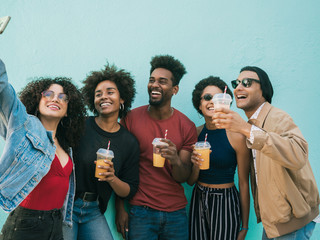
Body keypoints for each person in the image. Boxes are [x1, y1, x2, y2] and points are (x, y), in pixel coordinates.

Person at [0, 17, 86, 239]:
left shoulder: (65, 143)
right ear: (37, 99)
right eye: (49, 94)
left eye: (63, 97)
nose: (56, 99)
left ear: (67, 109)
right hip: (26, 225)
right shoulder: (24, 126)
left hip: (56, 225)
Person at [212, 66, 320, 239]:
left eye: (246, 83)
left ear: (264, 89)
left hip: (294, 223)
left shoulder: (277, 117)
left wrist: (244, 128)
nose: (238, 87)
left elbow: (299, 155)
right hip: (276, 223)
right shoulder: (254, 123)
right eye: (236, 83)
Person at [115, 55, 197, 239]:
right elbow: (120, 167)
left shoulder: (186, 126)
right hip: (141, 211)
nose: (154, 85)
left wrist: (175, 159)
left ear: (174, 89)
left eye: (162, 81)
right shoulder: (130, 119)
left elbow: (182, 177)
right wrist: (120, 209)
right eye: (152, 80)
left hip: (175, 213)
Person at [62, 64, 140, 240]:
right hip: (67, 205)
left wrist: (112, 178)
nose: (103, 97)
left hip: (94, 210)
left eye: (110, 92)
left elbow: (129, 190)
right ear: (93, 101)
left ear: (122, 99)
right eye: (98, 94)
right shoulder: (79, 125)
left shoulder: (129, 142)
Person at [187, 76, 251, 240]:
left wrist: (244, 225)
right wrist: (195, 165)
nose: (211, 102)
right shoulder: (195, 133)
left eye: (217, 98)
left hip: (225, 201)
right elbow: (191, 180)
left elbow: (244, 183)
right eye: (207, 98)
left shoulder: (237, 136)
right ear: (199, 104)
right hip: (199, 197)